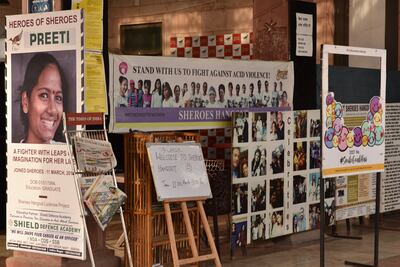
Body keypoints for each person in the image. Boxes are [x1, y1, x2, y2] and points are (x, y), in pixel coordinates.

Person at [20, 52, 66, 144]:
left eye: (58, 98)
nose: (52, 110)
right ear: (25, 102)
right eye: (44, 95)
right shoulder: (13, 154)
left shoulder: (70, 153)